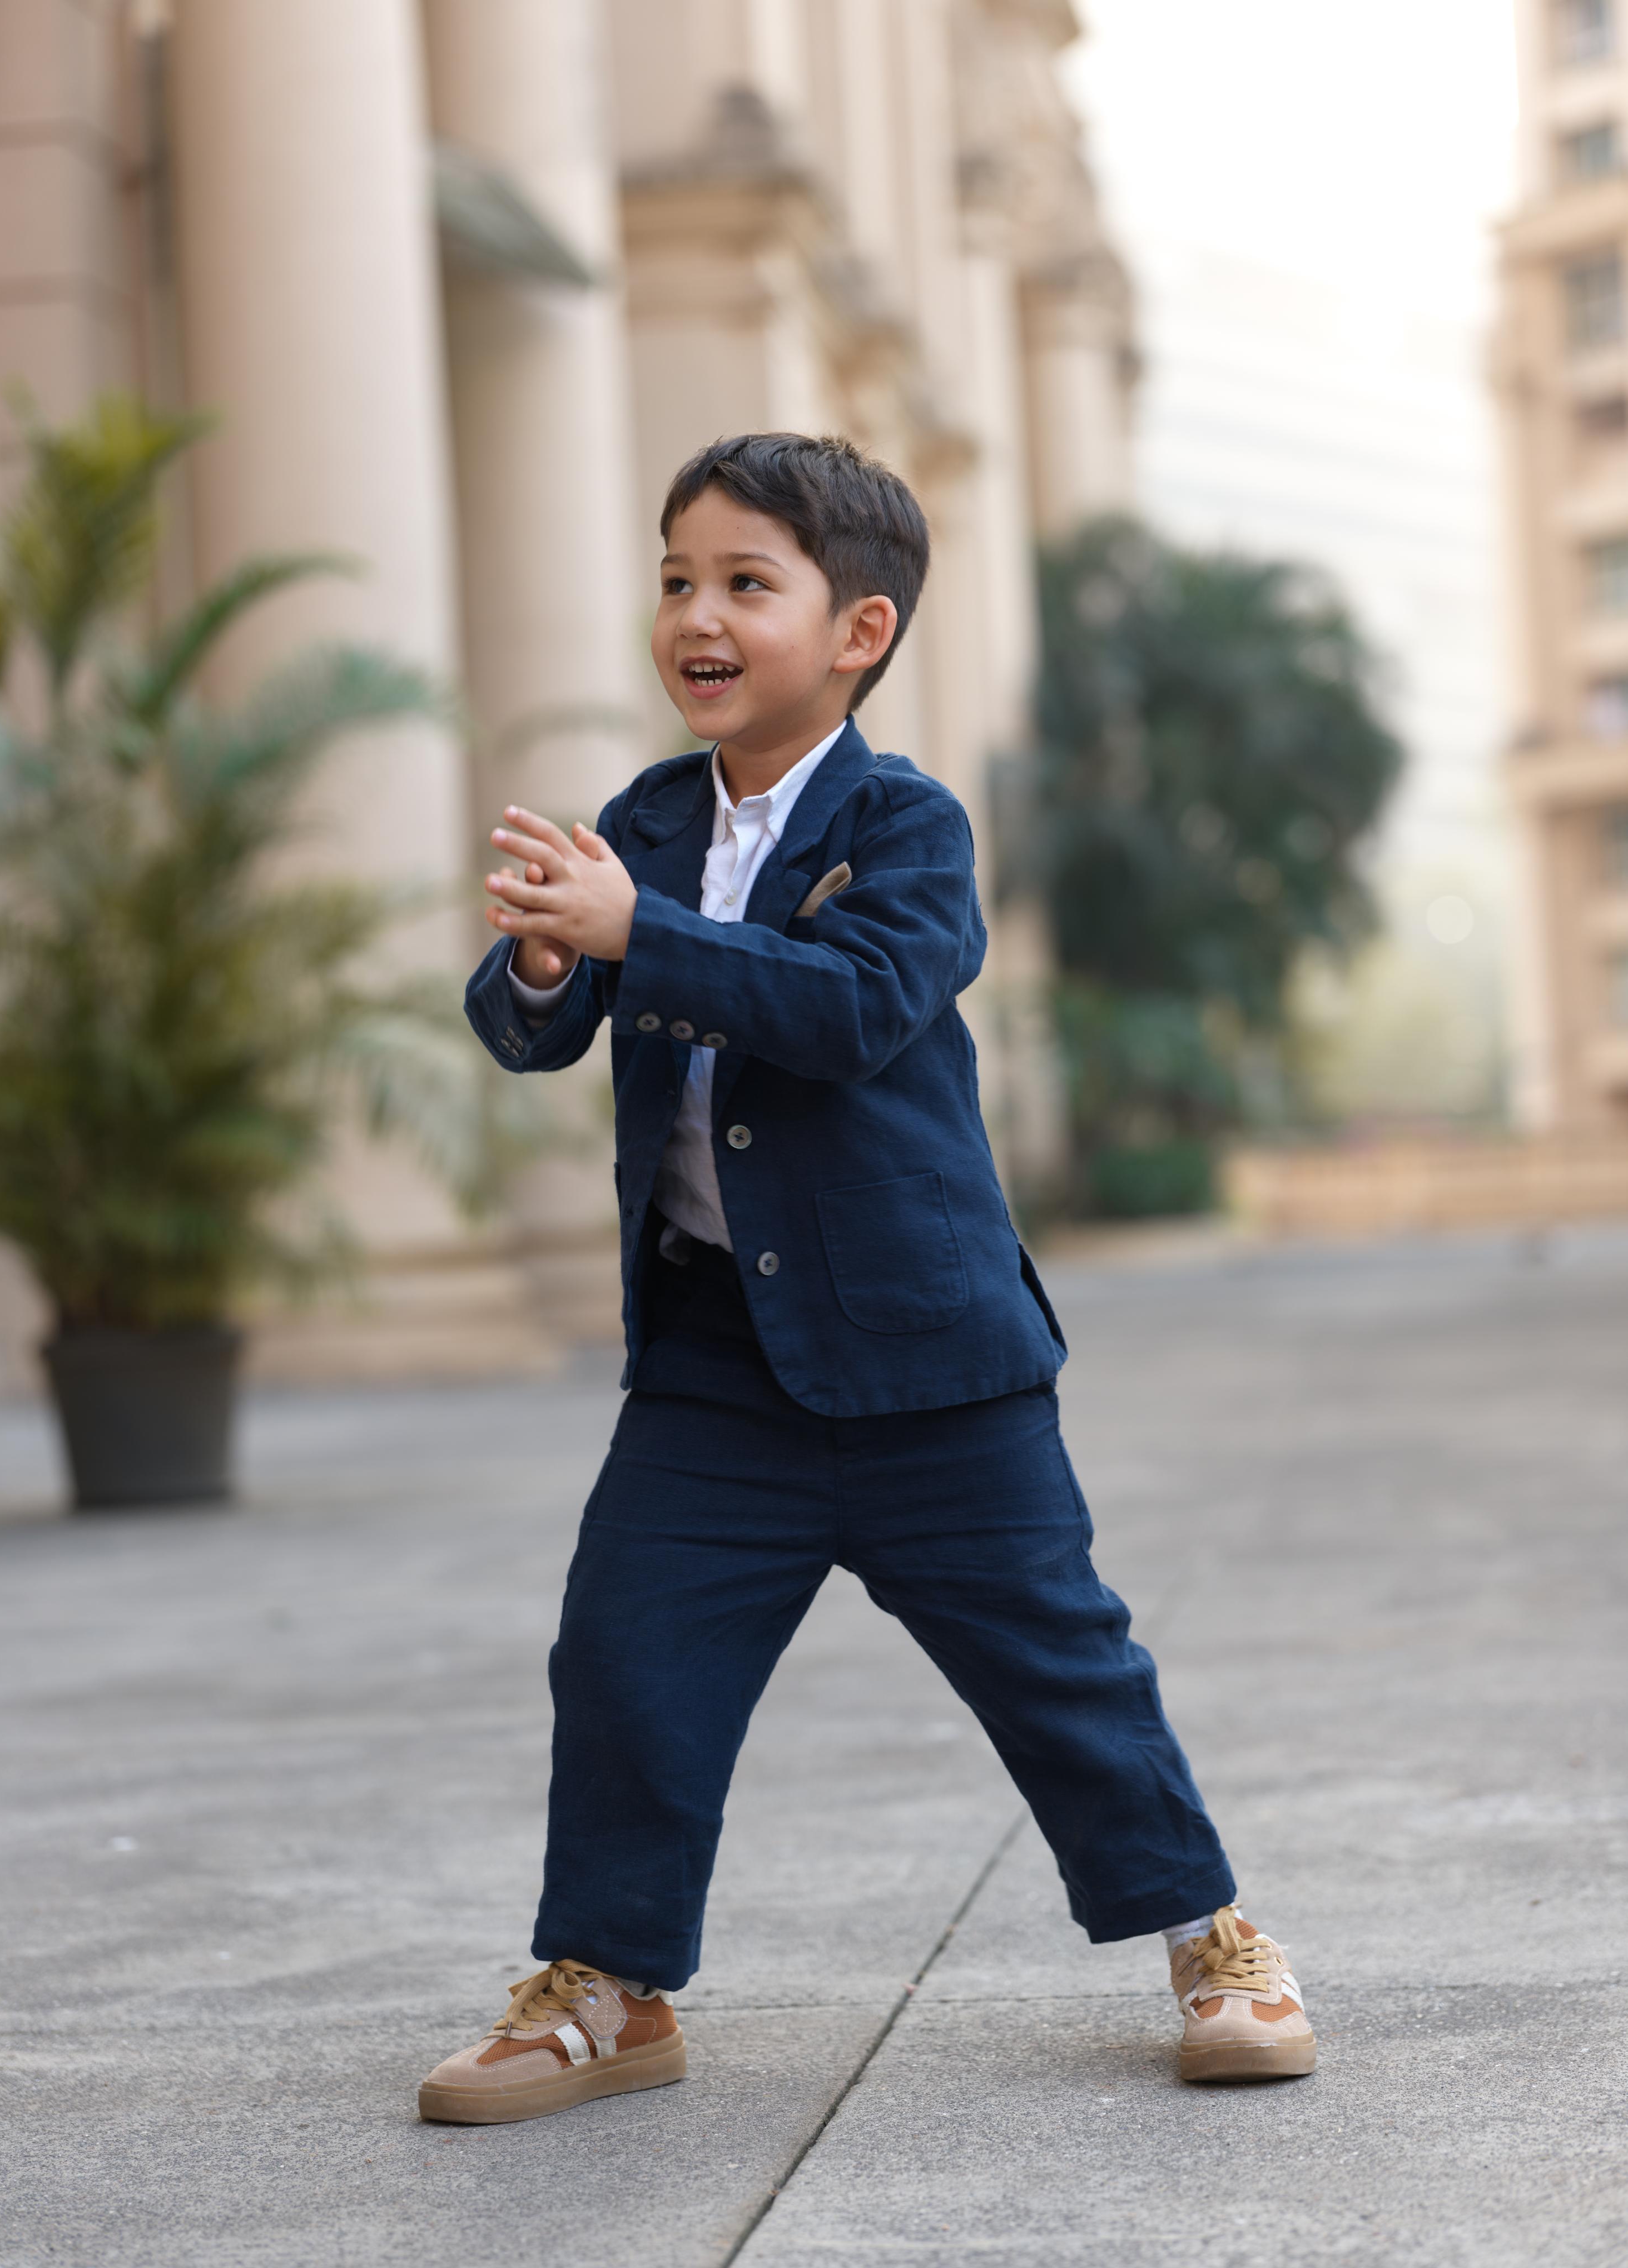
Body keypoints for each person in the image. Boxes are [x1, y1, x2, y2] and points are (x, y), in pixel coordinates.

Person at [418, 432, 1313, 2126]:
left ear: (858, 631)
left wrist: (635, 937)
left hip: (928, 1362)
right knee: (625, 1655)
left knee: (1060, 1669)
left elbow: (843, 1012)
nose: (696, 612)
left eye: (746, 581)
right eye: (678, 576)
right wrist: (545, 958)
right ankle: (608, 1988)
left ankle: (1212, 1935)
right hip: (713, 1360)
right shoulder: (648, 825)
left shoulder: (906, 823)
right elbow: (534, 1027)